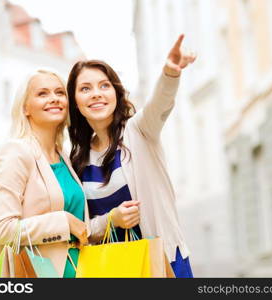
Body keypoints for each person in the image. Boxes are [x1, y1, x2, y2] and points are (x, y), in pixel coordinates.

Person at [67, 34, 196, 277]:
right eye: (85, 88)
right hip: (111, 269)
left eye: (104, 86)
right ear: (75, 101)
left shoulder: (139, 131)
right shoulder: (77, 159)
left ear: (116, 93)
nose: (96, 93)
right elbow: (82, 229)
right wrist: (111, 220)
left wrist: (170, 73)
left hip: (161, 261)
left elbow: (160, 104)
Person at [0, 67, 90, 278]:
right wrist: (64, 222)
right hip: (36, 274)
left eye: (59, 93)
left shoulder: (64, 157)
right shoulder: (16, 152)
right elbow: (3, 229)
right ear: (25, 108)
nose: (54, 98)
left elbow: (80, 228)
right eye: (42, 93)